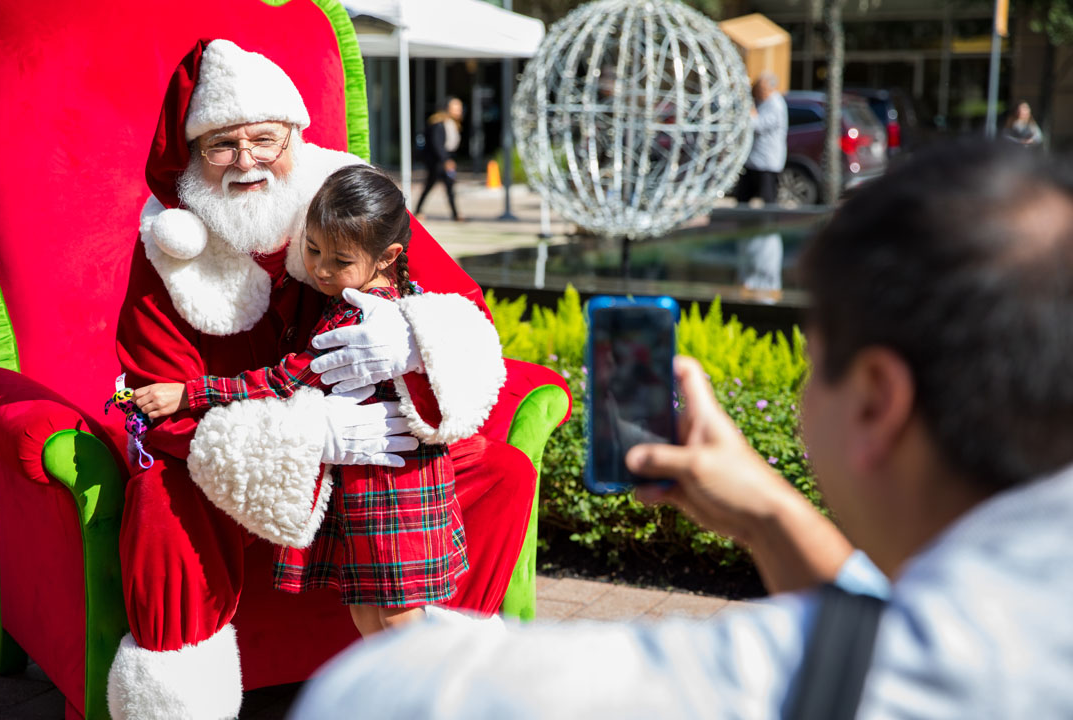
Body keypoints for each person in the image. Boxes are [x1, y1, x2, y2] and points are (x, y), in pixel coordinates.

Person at [288, 141, 1073, 718]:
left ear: (875, 401)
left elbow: (381, 696)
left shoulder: (746, 683)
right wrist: (768, 513)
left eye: (814, 362)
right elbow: (899, 627)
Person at [108, 39, 538, 720]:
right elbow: (161, 405)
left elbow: (465, 316)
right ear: (194, 155)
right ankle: (179, 704)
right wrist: (308, 435)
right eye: (222, 145)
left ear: (295, 136)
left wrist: (412, 338)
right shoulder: (170, 248)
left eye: (264, 139)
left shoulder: (347, 200)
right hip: (239, 458)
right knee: (162, 503)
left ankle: (461, 677)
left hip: (379, 447)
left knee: (504, 472)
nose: (246, 160)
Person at [131, 164, 468, 637]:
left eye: (340, 260)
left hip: (392, 488)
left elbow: (287, 380)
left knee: (395, 616)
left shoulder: (360, 316)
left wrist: (191, 392)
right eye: (312, 250)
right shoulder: (377, 295)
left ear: (388, 256)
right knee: (370, 609)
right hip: (377, 477)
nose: (322, 269)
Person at [735, 72, 788, 205]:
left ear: (770, 88)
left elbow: (757, 125)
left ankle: (770, 224)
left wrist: (750, 109)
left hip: (767, 161)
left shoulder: (775, 104)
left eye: (761, 89)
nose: (758, 92)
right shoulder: (761, 101)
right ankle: (744, 223)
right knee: (743, 197)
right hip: (753, 160)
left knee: (768, 199)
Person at [414, 97, 464, 221]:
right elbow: (437, 144)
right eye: (456, 108)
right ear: (448, 109)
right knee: (431, 186)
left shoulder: (452, 124)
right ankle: (418, 211)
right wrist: (446, 160)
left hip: (445, 159)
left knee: (449, 187)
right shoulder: (439, 124)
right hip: (438, 161)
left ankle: (455, 214)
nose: (459, 111)